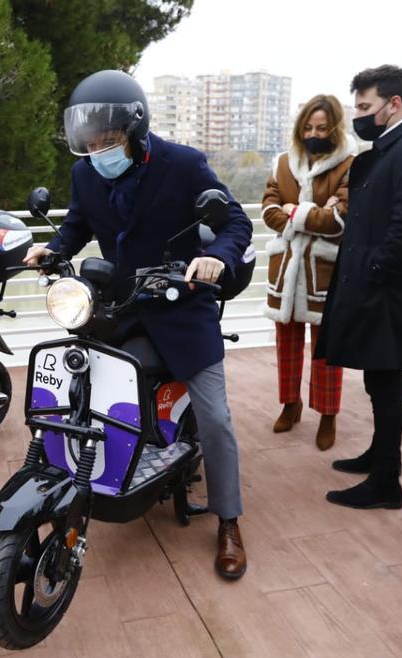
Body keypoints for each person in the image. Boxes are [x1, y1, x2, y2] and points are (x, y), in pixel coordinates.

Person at [24, 70, 254, 579]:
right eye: (89, 141)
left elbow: (236, 221)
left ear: (136, 128)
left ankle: (229, 520)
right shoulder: (86, 172)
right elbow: (77, 225)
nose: (98, 149)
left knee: (215, 417)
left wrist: (216, 255)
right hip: (119, 302)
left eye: (108, 140)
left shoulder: (183, 164)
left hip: (182, 304)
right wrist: (53, 249)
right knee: (79, 381)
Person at [315, 65, 402, 510]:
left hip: (387, 288)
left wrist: (371, 274)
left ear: (395, 105)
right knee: (378, 379)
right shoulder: (392, 147)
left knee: (387, 382)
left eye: (366, 106)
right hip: (377, 282)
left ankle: (387, 480)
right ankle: (378, 456)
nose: (359, 115)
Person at [261, 94, 356, 450]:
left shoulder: (349, 164)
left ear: (334, 128)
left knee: (327, 350)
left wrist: (294, 212)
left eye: (322, 127)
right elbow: (268, 212)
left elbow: (339, 220)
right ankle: (290, 404)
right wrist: (312, 212)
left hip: (325, 271)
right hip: (285, 270)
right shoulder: (284, 163)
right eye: (308, 127)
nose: (314, 133)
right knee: (285, 345)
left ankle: (328, 415)